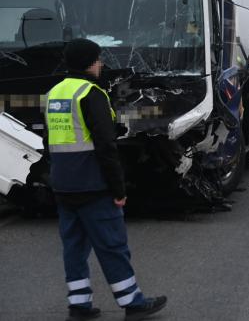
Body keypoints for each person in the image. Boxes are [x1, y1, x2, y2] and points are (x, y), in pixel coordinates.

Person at [45, 39, 167, 321]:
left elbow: (49, 140)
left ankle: (79, 306)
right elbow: (105, 145)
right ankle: (132, 302)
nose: (101, 64)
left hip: (63, 184)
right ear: (90, 62)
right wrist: (118, 187)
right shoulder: (91, 93)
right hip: (93, 184)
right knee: (112, 244)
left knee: (73, 247)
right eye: (98, 59)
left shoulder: (54, 93)